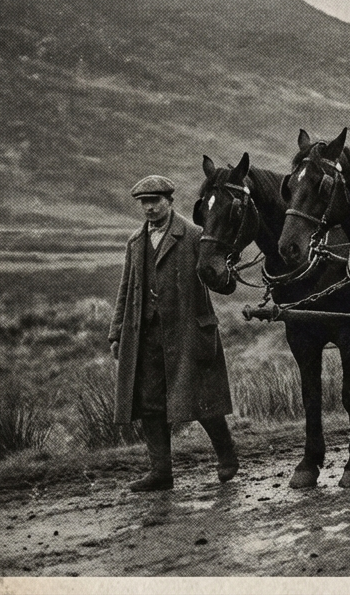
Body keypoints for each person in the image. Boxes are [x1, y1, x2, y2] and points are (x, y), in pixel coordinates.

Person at [107, 175, 238, 491]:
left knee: (202, 400)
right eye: (144, 202)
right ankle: (161, 473)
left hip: (189, 333)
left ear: (169, 201)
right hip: (146, 337)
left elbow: (224, 282)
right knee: (150, 404)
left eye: (155, 201)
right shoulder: (135, 242)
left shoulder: (194, 235)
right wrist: (117, 332)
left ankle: (227, 456)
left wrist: (224, 275)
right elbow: (126, 289)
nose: (149, 208)